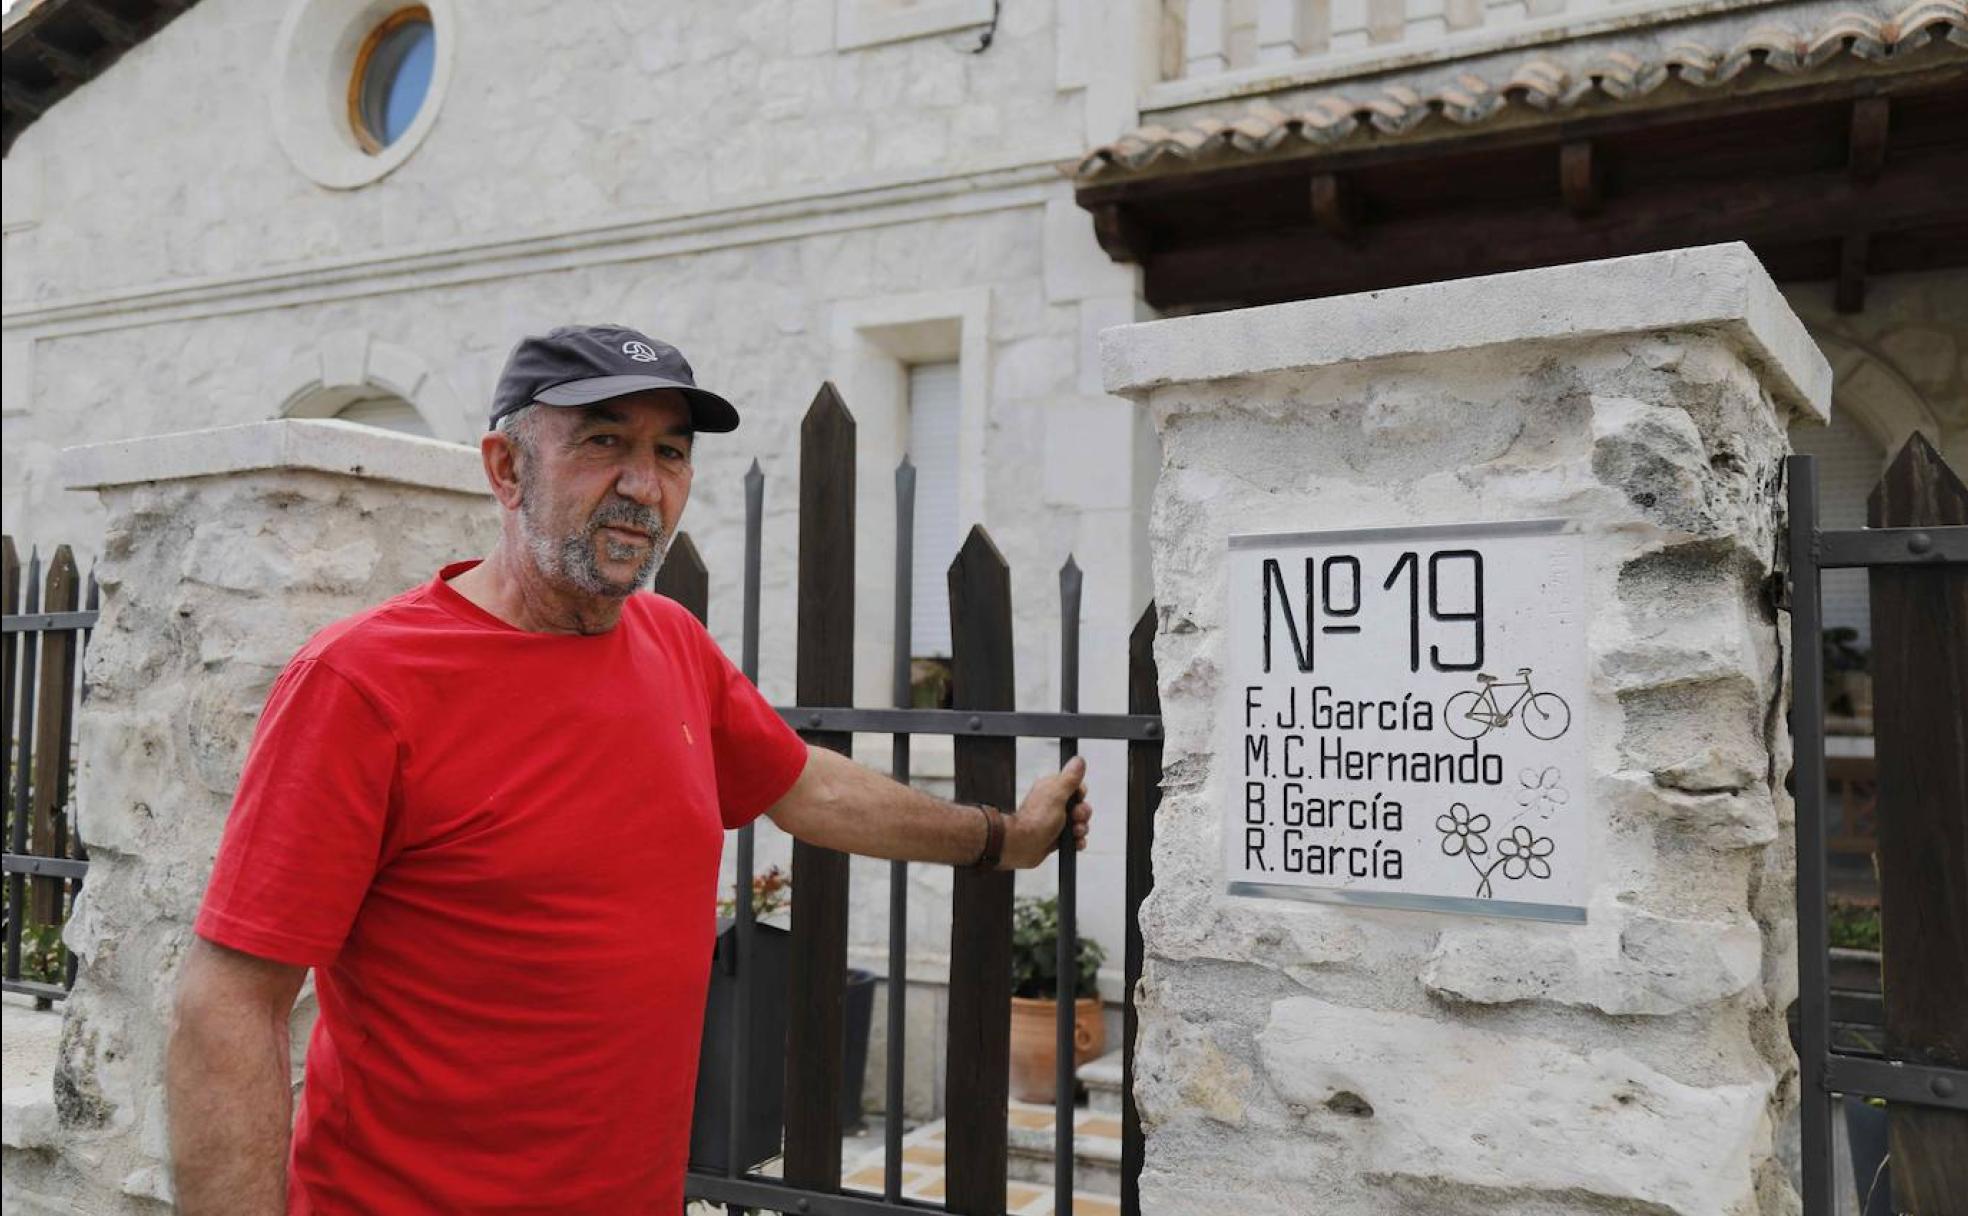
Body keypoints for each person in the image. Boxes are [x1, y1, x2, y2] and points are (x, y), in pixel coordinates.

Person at [164, 324, 1094, 1215]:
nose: (643, 486)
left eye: (671, 454)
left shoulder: (672, 644)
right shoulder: (363, 684)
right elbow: (230, 1006)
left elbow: (806, 786)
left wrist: (1002, 839)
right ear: (505, 467)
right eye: (605, 442)